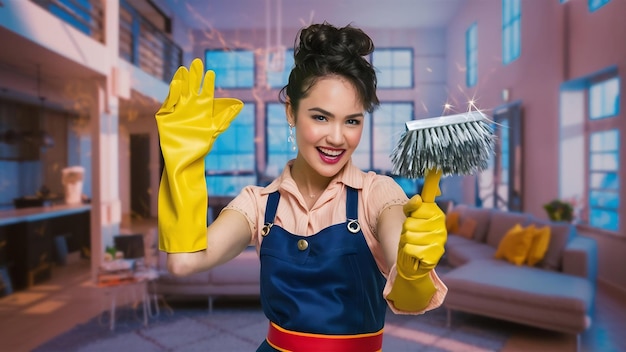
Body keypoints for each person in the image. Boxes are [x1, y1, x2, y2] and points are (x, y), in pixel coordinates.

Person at [156, 22, 447, 352]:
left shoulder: (378, 194)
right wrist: (183, 164)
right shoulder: (258, 203)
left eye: (352, 120)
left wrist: (413, 268)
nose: (337, 138)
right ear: (291, 113)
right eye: (321, 117)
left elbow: (411, 299)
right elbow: (183, 263)